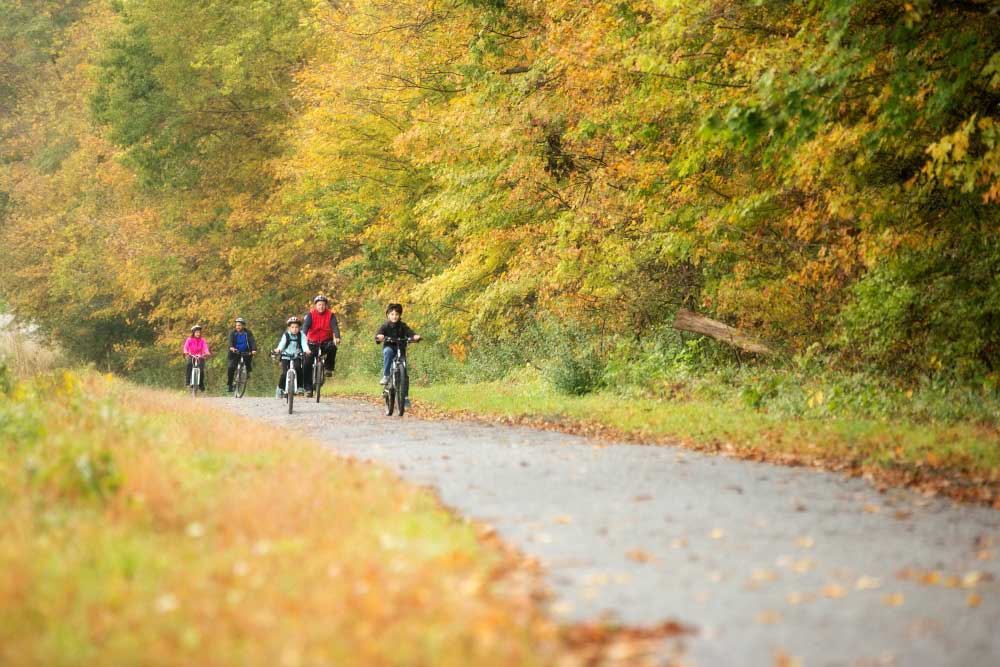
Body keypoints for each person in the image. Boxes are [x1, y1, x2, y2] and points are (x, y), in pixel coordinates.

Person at [302, 295, 341, 397]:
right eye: (319, 305)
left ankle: (328, 368)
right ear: (316, 306)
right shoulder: (310, 315)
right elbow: (305, 327)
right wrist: (302, 339)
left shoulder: (330, 315)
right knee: (307, 363)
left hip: (325, 342)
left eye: (323, 305)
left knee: (333, 347)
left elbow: (335, 327)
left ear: (325, 306)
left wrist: (336, 337)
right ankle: (308, 389)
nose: (321, 307)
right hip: (312, 343)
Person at [375, 303, 420, 385]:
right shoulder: (385, 326)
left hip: (400, 348)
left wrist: (414, 336)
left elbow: (409, 332)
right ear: (388, 315)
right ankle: (386, 375)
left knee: (404, 372)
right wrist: (380, 336)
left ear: (399, 315)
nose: (394, 316)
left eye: (396, 314)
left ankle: (404, 396)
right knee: (388, 352)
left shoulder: (402, 326)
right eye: (392, 314)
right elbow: (379, 334)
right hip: (389, 347)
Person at [273, 316, 310, 397]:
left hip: (297, 355)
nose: (294, 329)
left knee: (298, 368)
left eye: (296, 327)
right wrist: (278, 349)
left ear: (299, 328)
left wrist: (306, 350)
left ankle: (300, 387)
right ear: (289, 328)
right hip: (286, 356)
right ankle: (280, 388)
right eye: (292, 327)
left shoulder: (301, 335)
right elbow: (282, 344)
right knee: (284, 373)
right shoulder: (286, 335)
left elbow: (304, 344)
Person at [226, 317, 258, 392]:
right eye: (236, 325)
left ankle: (247, 372)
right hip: (235, 352)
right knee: (231, 368)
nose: (237, 327)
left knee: (248, 363)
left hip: (246, 351)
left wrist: (254, 349)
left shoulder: (248, 332)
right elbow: (230, 341)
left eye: (239, 325)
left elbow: (252, 341)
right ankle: (229, 385)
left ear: (243, 326)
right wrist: (231, 347)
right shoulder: (232, 333)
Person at [182, 324, 211, 392]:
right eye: (196, 332)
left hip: (200, 356)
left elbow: (205, 347)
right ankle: (188, 382)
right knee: (189, 364)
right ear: (193, 333)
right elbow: (185, 347)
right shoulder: (189, 339)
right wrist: (185, 351)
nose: (198, 333)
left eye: (199, 332)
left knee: (201, 370)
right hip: (191, 355)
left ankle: (201, 384)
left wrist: (207, 352)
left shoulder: (202, 340)